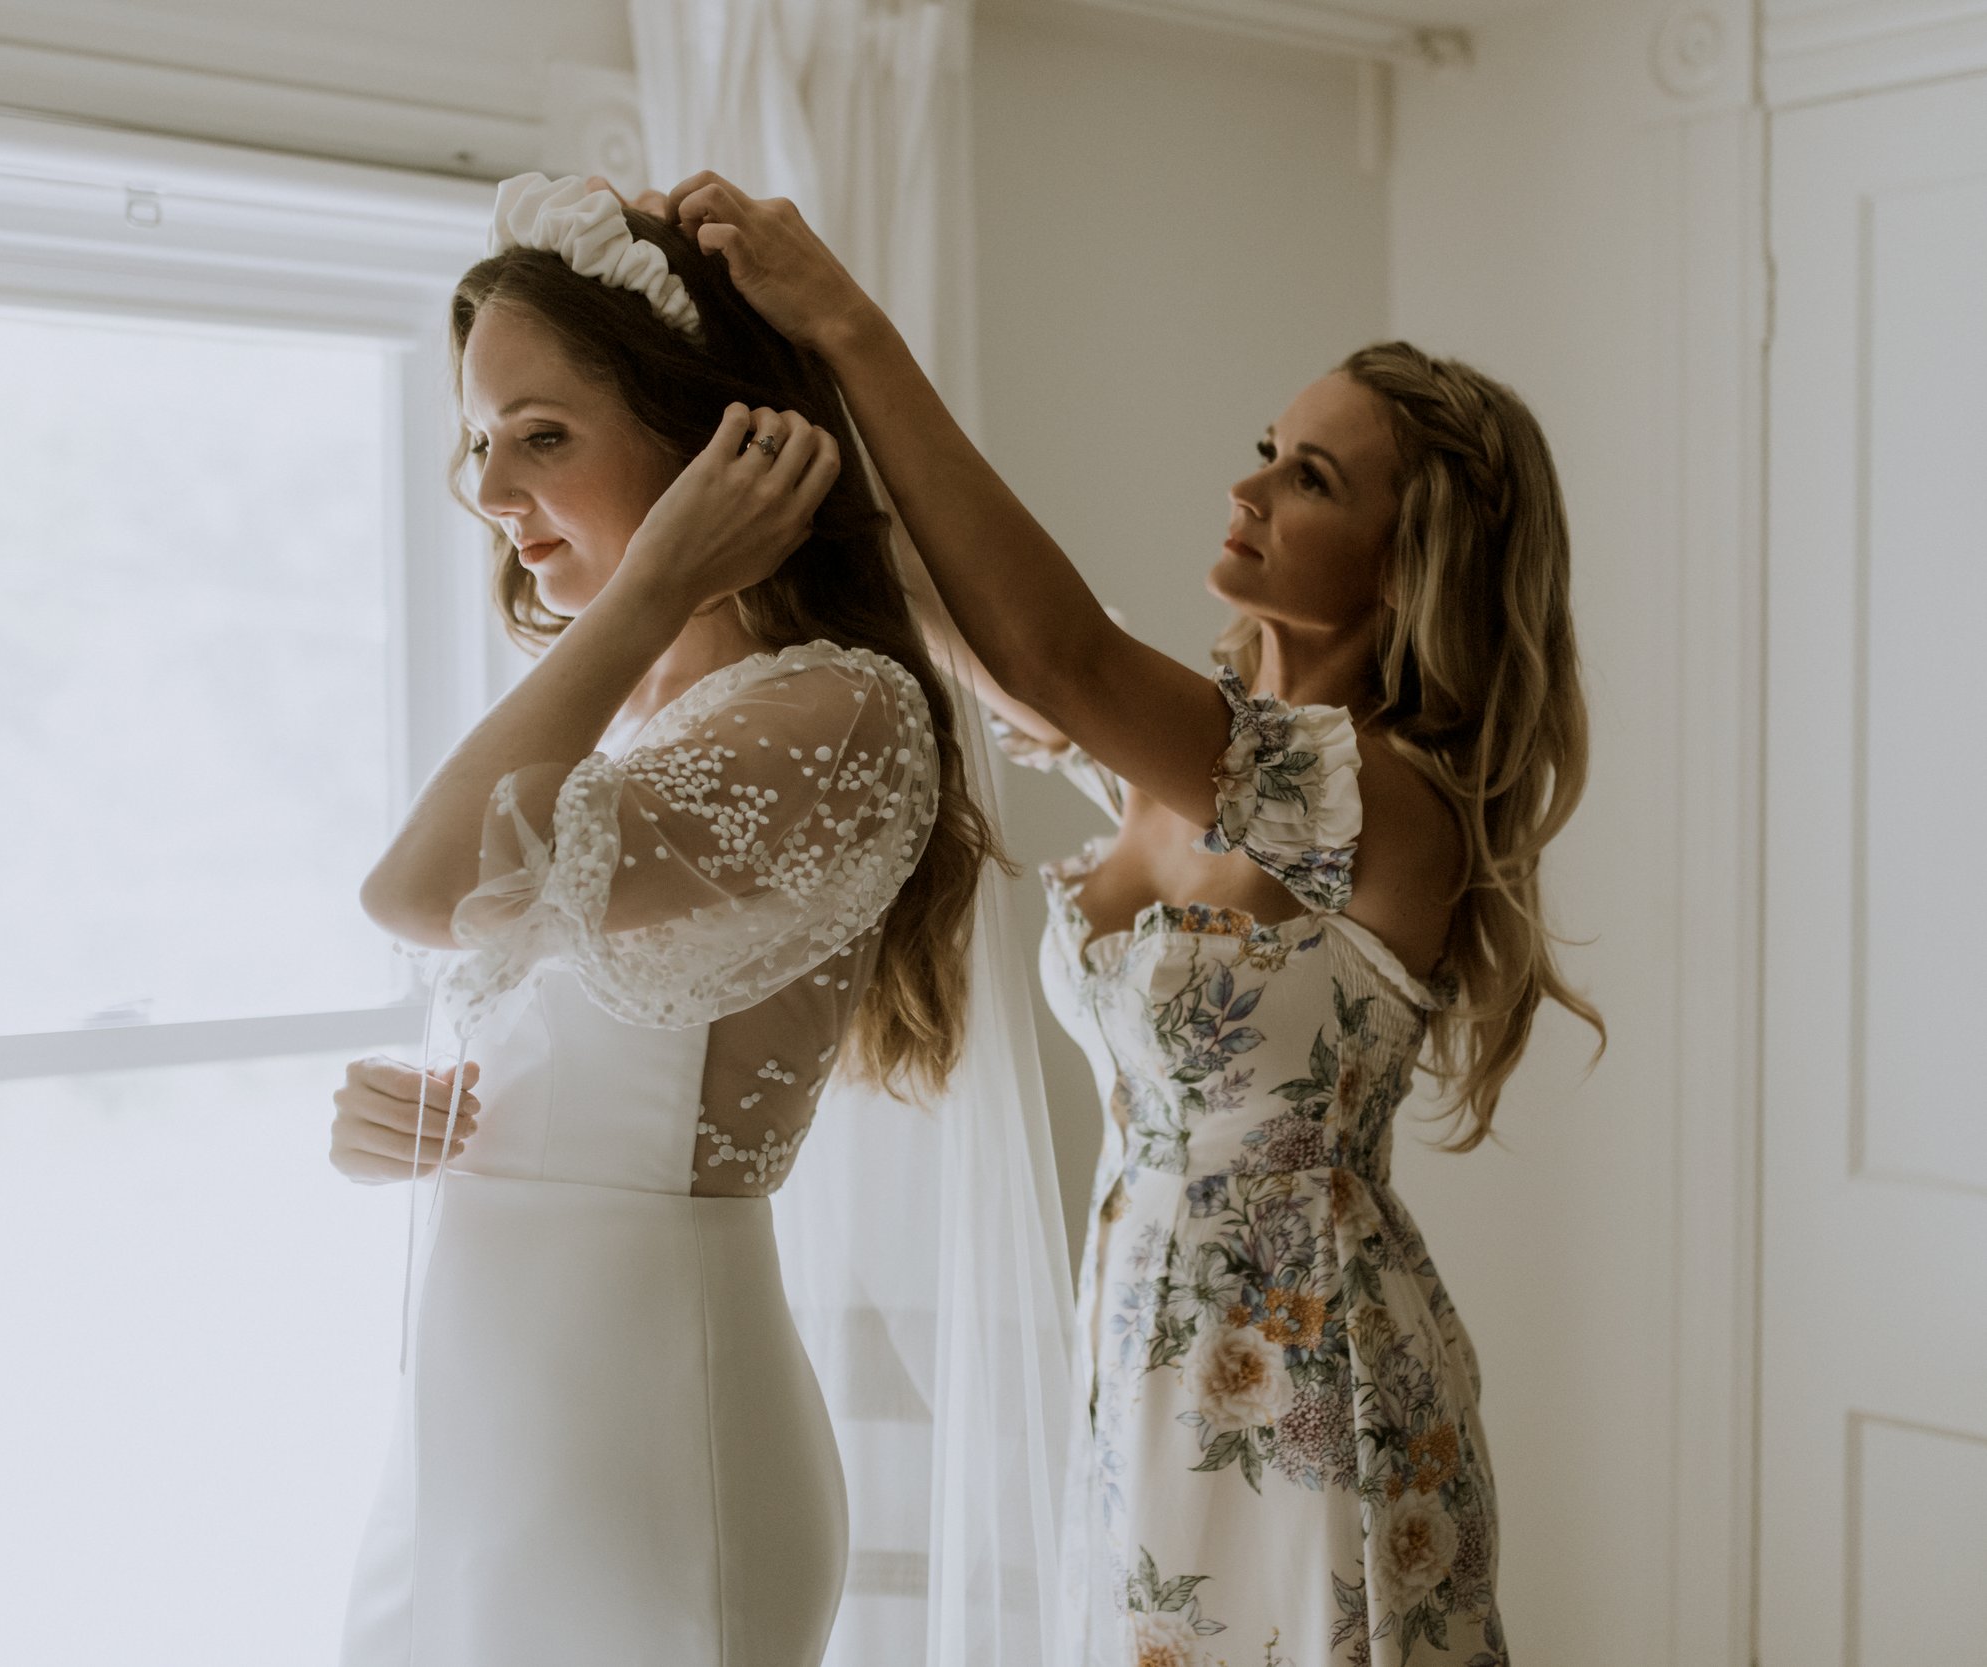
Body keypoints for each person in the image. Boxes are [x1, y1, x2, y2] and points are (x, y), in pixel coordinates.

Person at [621, 171, 1604, 1667]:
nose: (1250, 491)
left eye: (1314, 481)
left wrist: (851, 319)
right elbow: (928, 585)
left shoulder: (1383, 802)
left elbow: (1057, 648)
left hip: (1315, 1383)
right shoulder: (1177, 771)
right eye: (1266, 451)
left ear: (1418, 567)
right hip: (1146, 1348)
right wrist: (747, 363)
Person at [328, 173, 1005, 1665]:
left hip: (643, 1453)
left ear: (711, 445)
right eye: (479, 442)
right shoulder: (642, 734)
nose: (495, 494)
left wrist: (646, 591)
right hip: (487, 1432)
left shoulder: (838, 710)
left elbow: (416, 893)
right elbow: (508, 968)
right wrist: (425, 1120)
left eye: (543, 435)